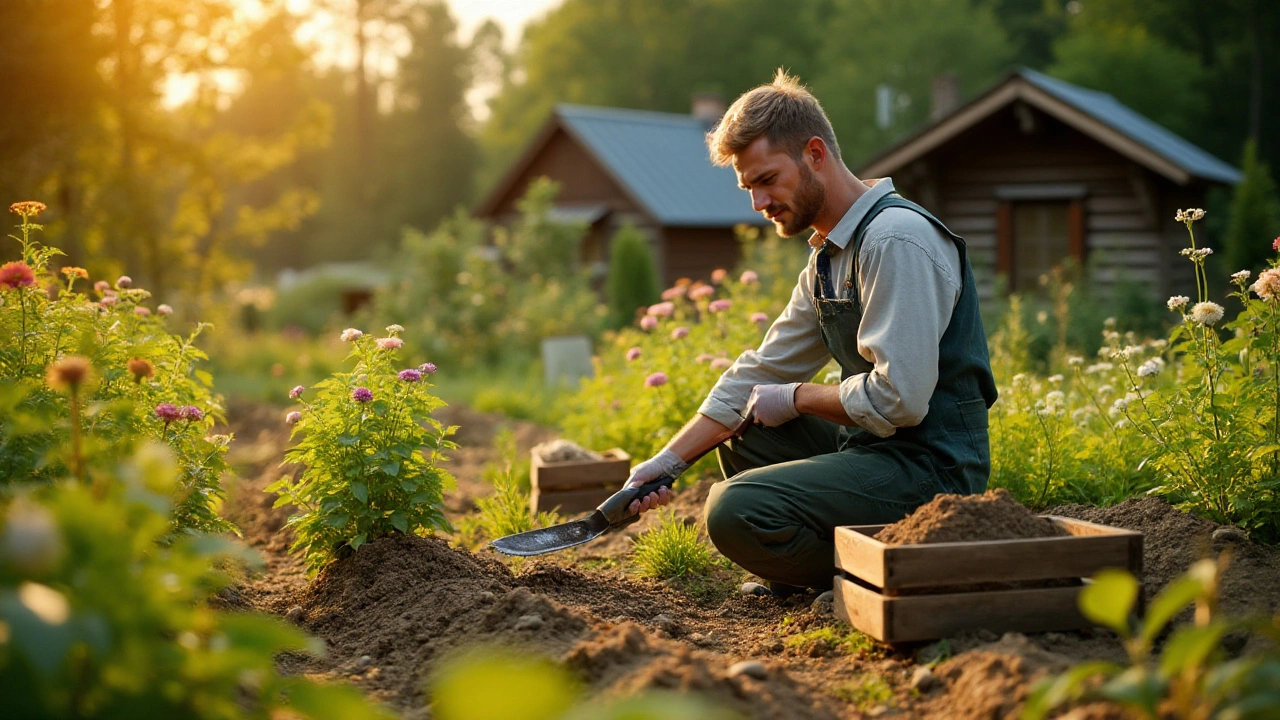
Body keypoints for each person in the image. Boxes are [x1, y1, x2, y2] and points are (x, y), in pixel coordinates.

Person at [622, 69, 998, 596]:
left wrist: (799, 397)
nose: (758, 203)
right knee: (744, 430)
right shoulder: (830, 254)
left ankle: (877, 578)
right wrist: (667, 462)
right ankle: (843, 565)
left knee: (734, 510)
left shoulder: (895, 241)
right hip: (875, 451)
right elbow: (760, 371)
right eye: (748, 187)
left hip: (932, 471)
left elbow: (900, 401)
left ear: (815, 154)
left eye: (767, 180)